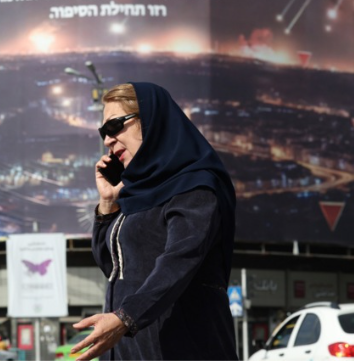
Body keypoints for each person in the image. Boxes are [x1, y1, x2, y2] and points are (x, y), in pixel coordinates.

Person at [72, 82, 237, 361]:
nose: (107, 140)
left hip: (185, 348)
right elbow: (112, 267)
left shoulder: (194, 186)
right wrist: (108, 205)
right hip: (133, 349)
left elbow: (180, 259)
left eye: (113, 127)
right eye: (103, 132)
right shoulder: (135, 192)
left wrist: (126, 318)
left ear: (149, 122)